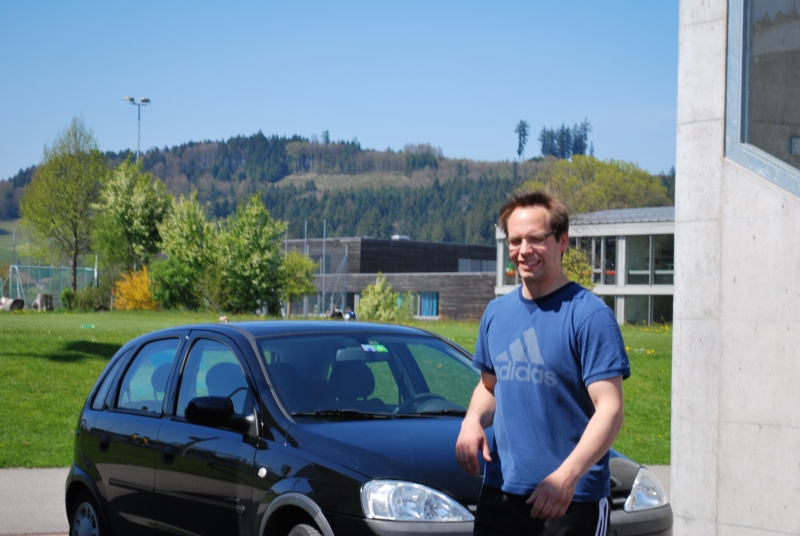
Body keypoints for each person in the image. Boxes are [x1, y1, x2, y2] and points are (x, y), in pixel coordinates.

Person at [455, 191, 630, 536]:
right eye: (515, 240)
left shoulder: (590, 315)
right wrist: (472, 422)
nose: (524, 250)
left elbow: (610, 410)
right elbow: (489, 386)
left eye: (536, 239)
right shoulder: (497, 313)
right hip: (501, 493)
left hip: (570, 499)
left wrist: (567, 476)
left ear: (562, 241)